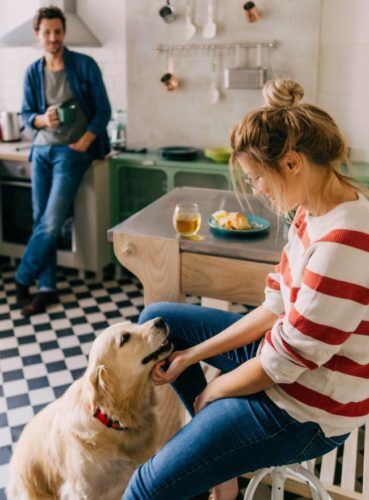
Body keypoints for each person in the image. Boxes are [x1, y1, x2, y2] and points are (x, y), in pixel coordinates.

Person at [122, 79, 369, 500]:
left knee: (146, 486)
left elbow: (282, 365)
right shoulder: (315, 211)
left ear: (292, 164)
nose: (257, 191)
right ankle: (222, 475)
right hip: (285, 366)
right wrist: (190, 357)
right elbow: (275, 306)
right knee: (159, 323)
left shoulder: (342, 247)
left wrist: (213, 392)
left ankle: (216, 455)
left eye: (257, 178)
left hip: (304, 410)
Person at [15, 5, 111, 316]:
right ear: (37, 34)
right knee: (41, 220)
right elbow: (27, 116)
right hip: (41, 152)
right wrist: (43, 119)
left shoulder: (84, 65)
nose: (53, 37)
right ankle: (46, 287)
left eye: (58, 31)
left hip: (71, 154)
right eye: (47, 32)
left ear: (64, 32)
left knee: (52, 221)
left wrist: (85, 140)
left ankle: (21, 276)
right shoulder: (33, 71)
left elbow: (103, 111)